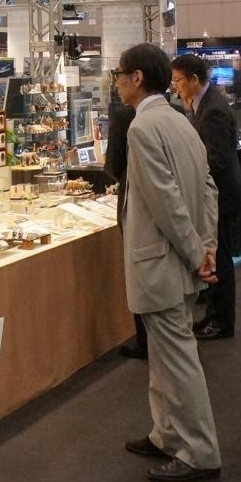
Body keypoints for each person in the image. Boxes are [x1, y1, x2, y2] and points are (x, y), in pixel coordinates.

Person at [115, 43, 222, 482]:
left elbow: (165, 201)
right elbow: (208, 189)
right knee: (164, 357)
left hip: (163, 263)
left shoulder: (143, 128)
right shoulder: (180, 120)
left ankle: (199, 451)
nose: (117, 83)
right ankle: (167, 434)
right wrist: (206, 246)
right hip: (180, 259)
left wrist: (198, 254)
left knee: (177, 360)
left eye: (119, 74)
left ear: (137, 77)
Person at [171, 54, 241, 341]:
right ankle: (213, 314)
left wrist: (190, 178)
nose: (175, 87)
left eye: (178, 80)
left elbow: (215, 159)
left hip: (223, 196)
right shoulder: (202, 103)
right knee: (215, 255)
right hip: (217, 194)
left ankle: (221, 321)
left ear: (194, 79)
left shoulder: (213, 109)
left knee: (221, 259)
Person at [106, 96, 146, 360]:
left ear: (137, 78)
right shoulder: (175, 112)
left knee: (138, 273)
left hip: (133, 205)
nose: (118, 85)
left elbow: (113, 165)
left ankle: (145, 340)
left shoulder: (124, 117)